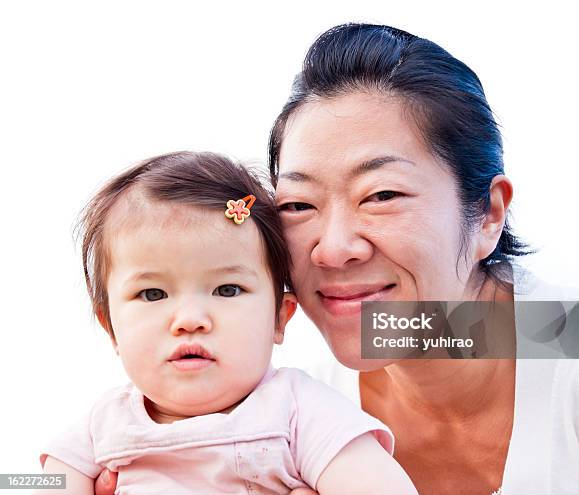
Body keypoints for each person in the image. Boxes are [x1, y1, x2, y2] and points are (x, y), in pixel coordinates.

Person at [95, 23, 579, 495]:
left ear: (487, 214)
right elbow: (25, 474)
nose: (335, 249)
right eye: (299, 205)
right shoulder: (296, 404)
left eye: (382, 195)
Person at [37, 151, 416, 494]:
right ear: (110, 328)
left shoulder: (298, 411)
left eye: (227, 290)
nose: (189, 321)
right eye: (153, 294)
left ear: (278, 318)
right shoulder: (102, 424)